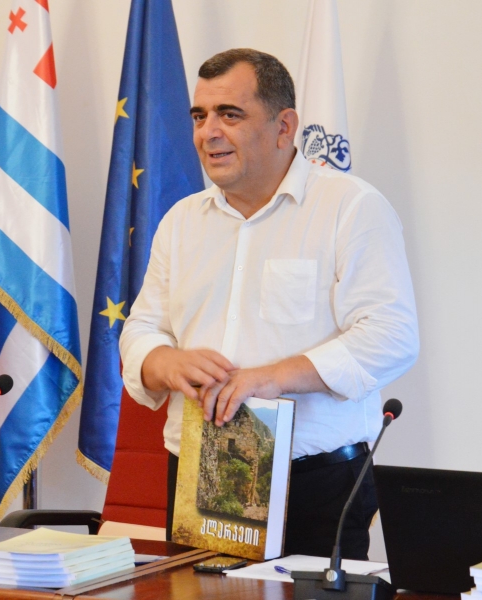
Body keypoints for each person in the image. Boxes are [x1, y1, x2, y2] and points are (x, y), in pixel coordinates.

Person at [119, 48, 419, 559]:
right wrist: (165, 362)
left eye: (229, 115)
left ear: (284, 127)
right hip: (200, 477)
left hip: (316, 485)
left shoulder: (351, 208)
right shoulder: (181, 221)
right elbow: (142, 328)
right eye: (199, 116)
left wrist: (273, 377)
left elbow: (391, 337)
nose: (208, 132)